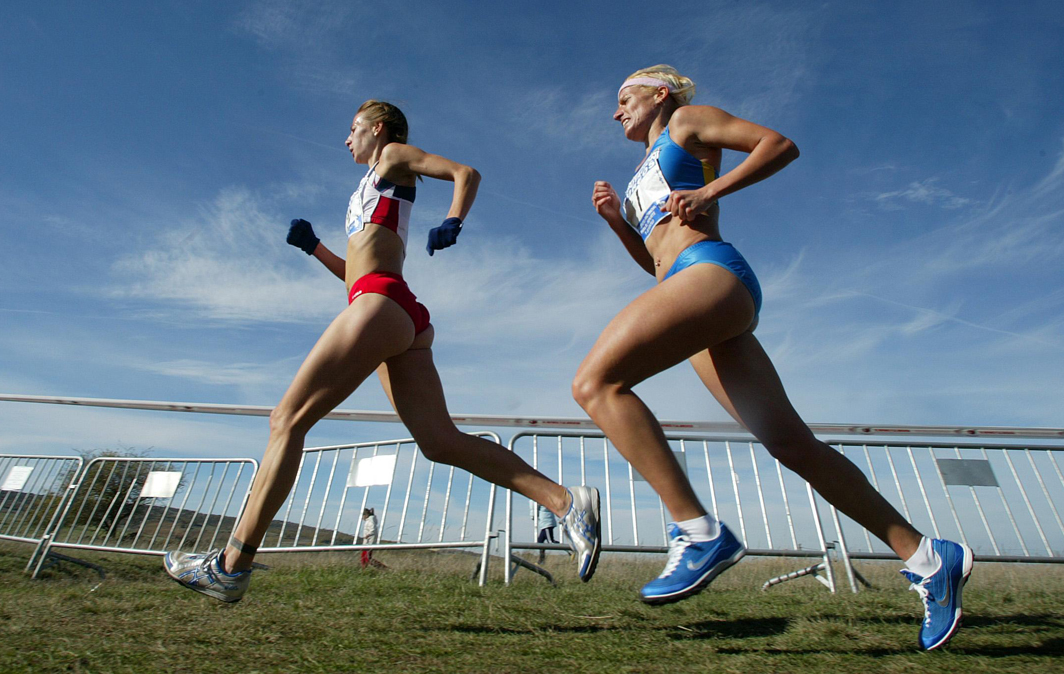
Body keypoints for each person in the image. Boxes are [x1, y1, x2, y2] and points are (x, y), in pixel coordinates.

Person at [576, 65, 972, 650]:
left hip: (708, 273)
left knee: (596, 384)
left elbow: (779, 145)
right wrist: (617, 222)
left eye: (623, 98)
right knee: (790, 442)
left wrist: (712, 190)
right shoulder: (642, 170)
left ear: (657, 93)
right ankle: (928, 557)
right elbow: (650, 261)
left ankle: (697, 530)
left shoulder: (687, 121)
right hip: (683, 286)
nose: (616, 112)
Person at [165, 100, 600, 602]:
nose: (346, 140)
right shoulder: (365, 190)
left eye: (352, 130)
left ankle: (230, 566)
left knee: (287, 420)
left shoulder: (392, 156)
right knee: (440, 442)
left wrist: (454, 220)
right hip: (392, 309)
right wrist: (316, 249)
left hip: (384, 302)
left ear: (376, 129)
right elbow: (355, 277)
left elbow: (465, 172)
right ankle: (567, 502)